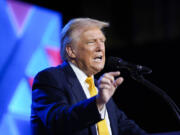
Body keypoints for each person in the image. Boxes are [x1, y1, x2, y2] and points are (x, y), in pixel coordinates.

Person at [31, 18, 147, 135]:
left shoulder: (99, 87)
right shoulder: (50, 79)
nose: (100, 48)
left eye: (102, 41)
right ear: (71, 51)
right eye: (92, 42)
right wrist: (98, 102)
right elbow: (58, 121)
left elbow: (125, 126)